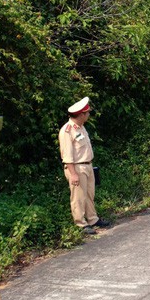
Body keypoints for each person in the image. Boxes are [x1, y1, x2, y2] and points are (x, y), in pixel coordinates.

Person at [59, 97, 110, 235]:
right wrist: (73, 173)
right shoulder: (67, 131)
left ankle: (93, 219)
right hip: (77, 168)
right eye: (87, 113)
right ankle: (81, 223)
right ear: (81, 114)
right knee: (78, 197)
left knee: (89, 195)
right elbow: (67, 155)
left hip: (87, 165)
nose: (88, 115)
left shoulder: (81, 128)